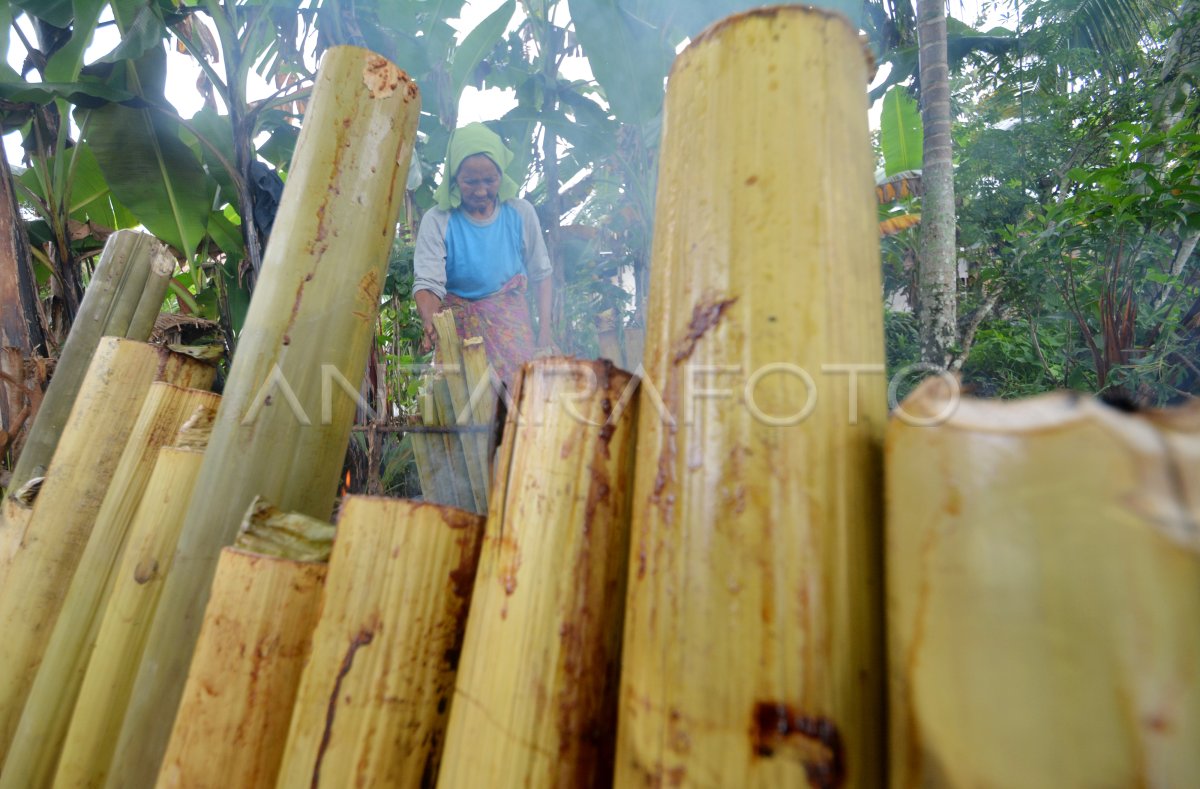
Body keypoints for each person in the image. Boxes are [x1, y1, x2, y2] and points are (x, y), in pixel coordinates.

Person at [413, 123, 554, 386]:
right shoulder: (438, 220)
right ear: (455, 177)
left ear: (501, 174)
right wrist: (431, 321)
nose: (481, 191)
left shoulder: (520, 213)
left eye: (490, 181)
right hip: (458, 332)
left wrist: (544, 333)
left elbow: (541, 274)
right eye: (470, 181)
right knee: (462, 406)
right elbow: (428, 285)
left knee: (518, 401)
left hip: (511, 328)